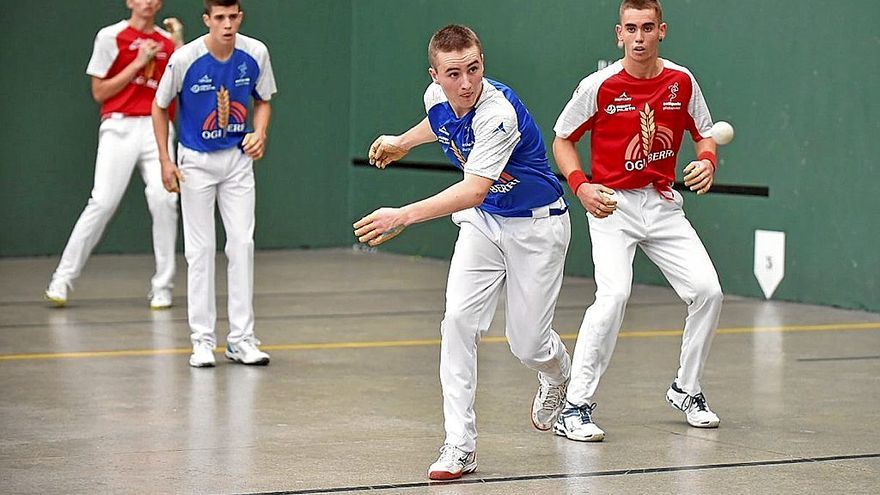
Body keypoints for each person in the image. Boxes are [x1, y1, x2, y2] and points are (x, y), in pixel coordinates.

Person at [354, 24, 572, 481]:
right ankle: (460, 445)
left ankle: (556, 371)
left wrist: (403, 215)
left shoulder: (498, 114)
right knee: (456, 322)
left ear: (482, 65)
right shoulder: (437, 98)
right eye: (453, 74)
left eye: (473, 70)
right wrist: (402, 141)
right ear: (435, 75)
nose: (466, 83)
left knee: (528, 344)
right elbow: (440, 122)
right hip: (485, 224)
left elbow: (473, 189)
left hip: (537, 224)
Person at [552, 0, 724, 442]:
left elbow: (704, 132)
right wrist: (582, 187)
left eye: (648, 27)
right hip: (611, 204)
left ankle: (688, 389)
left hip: (662, 202)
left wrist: (707, 160)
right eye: (632, 28)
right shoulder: (599, 86)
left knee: (708, 291)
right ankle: (575, 406)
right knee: (613, 297)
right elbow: (563, 140)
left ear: (661, 30)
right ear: (619, 34)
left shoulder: (681, 81)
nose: (640, 37)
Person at [152, 0, 276, 368]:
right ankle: (202, 341)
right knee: (200, 250)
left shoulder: (256, 53)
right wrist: (165, 160)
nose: (227, 24)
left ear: (240, 17)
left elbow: (264, 100)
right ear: (206, 20)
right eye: (219, 18)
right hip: (195, 164)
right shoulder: (185, 59)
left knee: (242, 244)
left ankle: (241, 340)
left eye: (232, 16)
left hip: (238, 161)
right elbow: (160, 107)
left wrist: (261, 133)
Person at [45, 0, 184, 309]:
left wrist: (179, 46)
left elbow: (178, 91)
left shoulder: (167, 42)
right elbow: (100, 92)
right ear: (130, 1)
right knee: (103, 201)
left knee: (165, 200)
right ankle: (62, 279)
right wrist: (137, 62)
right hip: (118, 126)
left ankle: (162, 286)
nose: (147, 3)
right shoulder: (110, 36)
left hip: (155, 128)